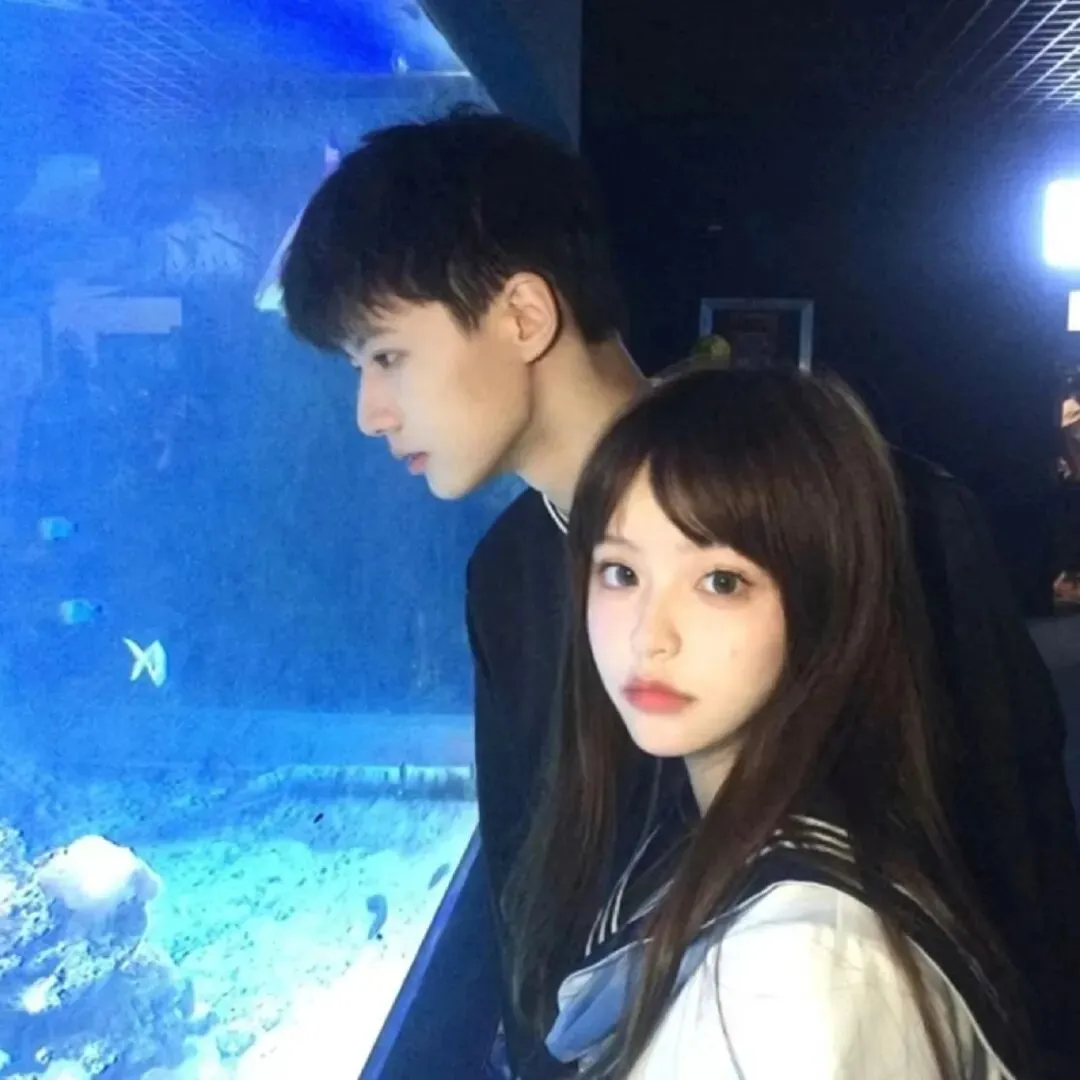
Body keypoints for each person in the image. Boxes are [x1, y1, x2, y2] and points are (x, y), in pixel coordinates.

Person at [279, 109, 1080, 1079]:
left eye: (386, 356)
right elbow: (534, 900)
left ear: (524, 315)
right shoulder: (508, 576)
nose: (370, 413)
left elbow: (1020, 876)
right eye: (618, 574)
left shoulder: (889, 516)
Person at [505, 366, 1027, 1078]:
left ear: (827, 598)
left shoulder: (797, 975)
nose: (648, 637)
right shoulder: (707, 826)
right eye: (621, 573)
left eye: (720, 582)